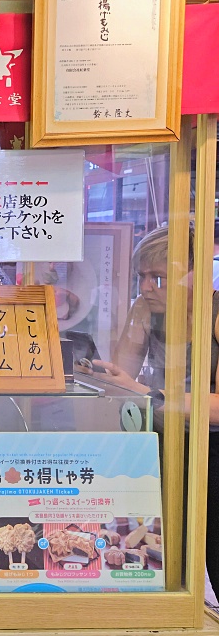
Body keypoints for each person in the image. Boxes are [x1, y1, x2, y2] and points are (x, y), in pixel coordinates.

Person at [93, 225, 219, 587]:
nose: (147, 287)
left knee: (208, 552)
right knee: (157, 550)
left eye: (159, 278)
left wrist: (150, 394)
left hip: (210, 448)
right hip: (161, 440)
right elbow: (123, 379)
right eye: (142, 278)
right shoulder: (147, 309)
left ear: (195, 274)